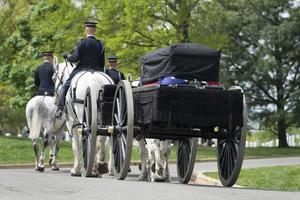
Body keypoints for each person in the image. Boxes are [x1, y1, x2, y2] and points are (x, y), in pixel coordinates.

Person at [54, 20, 105, 118]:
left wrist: (67, 56)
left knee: (64, 87)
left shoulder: (82, 42)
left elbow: (75, 58)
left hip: (82, 69)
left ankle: (59, 109)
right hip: (98, 70)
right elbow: (102, 62)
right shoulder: (100, 44)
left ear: (86, 30)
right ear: (95, 31)